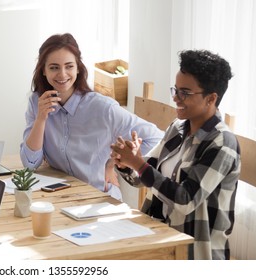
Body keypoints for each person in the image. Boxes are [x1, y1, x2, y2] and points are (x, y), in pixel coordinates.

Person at [110, 49, 240, 260]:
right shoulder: (178, 128)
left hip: (194, 252)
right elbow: (143, 176)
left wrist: (138, 163)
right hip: (158, 235)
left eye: (185, 93)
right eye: (176, 89)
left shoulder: (222, 144)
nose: (175, 98)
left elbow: (185, 200)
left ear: (211, 98)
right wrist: (128, 163)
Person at [20, 33, 163, 200]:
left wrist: (115, 162)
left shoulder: (103, 108)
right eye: (54, 67)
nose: (62, 74)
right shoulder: (37, 102)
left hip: (98, 198)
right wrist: (41, 118)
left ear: (78, 68)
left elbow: (157, 139)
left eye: (69, 66)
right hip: (59, 196)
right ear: (43, 70)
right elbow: (30, 164)